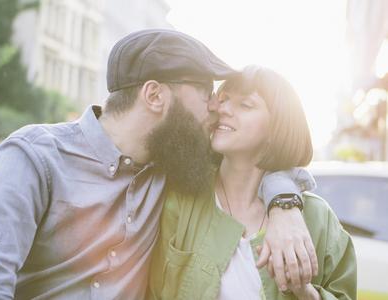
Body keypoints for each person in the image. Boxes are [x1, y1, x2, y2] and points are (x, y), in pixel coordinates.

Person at [0, 30, 316, 299]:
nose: (215, 107)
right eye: (206, 94)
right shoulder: (36, 157)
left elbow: (260, 158)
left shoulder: (172, 163)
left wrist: (283, 204)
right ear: (155, 95)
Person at [147, 66, 357, 300]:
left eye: (245, 105)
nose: (223, 109)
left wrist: (304, 291)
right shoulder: (182, 199)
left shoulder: (319, 219)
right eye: (223, 100)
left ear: (277, 127)